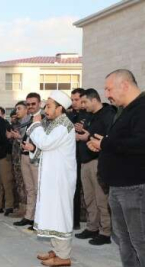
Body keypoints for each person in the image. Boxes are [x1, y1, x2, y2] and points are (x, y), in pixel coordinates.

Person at [88, 69, 145, 267]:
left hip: (134, 188)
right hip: (118, 188)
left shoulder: (142, 108)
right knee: (124, 242)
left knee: (140, 242)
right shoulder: (125, 110)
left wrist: (105, 144)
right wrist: (101, 144)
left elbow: (140, 144)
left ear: (125, 85)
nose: (107, 94)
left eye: (109, 89)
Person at [24, 90, 76, 266]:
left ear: (60, 108)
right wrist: (33, 148)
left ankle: (64, 257)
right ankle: (57, 251)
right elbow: (47, 147)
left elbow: (45, 142)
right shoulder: (56, 124)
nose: (46, 109)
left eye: (49, 106)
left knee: (59, 215)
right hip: (53, 178)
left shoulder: (63, 125)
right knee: (53, 214)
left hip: (60, 180)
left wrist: (35, 125)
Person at [74, 88, 115, 245]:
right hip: (85, 161)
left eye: (84, 102)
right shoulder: (89, 116)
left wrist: (87, 136)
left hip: (98, 161)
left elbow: (108, 137)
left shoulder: (108, 114)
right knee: (89, 198)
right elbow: (88, 133)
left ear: (94, 100)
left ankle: (105, 232)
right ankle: (92, 227)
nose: (82, 105)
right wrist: (82, 133)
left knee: (101, 199)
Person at [14, 93, 43, 228]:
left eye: (33, 104)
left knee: (39, 190)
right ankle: (29, 216)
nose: (30, 106)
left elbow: (46, 140)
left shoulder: (44, 118)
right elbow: (26, 136)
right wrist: (20, 139)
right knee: (29, 189)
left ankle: (38, 219)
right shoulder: (27, 119)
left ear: (39, 103)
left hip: (37, 157)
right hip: (25, 155)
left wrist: (34, 147)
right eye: (28, 104)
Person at [67, 88, 90, 230]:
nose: (74, 103)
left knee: (89, 193)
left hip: (88, 157)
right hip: (72, 157)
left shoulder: (89, 114)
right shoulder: (71, 115)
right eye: (72, 100)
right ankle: (74, 220)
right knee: (73, 189)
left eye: (77, 100)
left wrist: (85, 128)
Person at [0, 106, 15, 216]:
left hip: (5, 157)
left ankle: (9, 206)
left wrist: (8, 138)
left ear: (3, 115)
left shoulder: (7, 126)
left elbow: (11, 142)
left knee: (7, 183)